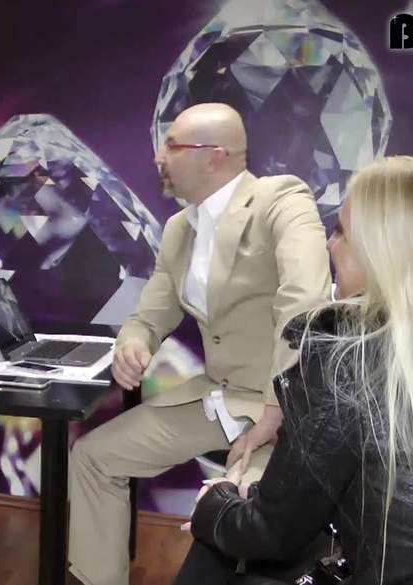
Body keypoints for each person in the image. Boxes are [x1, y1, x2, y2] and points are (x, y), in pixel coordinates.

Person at [66, 103, 332, 585]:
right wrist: (133, 343)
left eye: (171, 145)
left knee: (241, 517)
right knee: (93, 457)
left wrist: (277, 407)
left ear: (214, 156)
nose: (158, 157)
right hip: (218, 398)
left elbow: (305, 305)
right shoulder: (178, 229)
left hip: (283, 409)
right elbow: (149, 316)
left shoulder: (281, 200)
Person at [176, 156, 413, 585]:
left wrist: (214, 504)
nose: (330, 244)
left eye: (341, 232)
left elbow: (270, 531)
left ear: (381, 252)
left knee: (212, 552)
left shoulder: (348, 363)